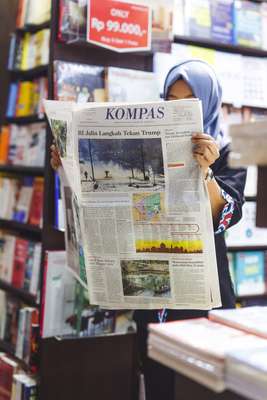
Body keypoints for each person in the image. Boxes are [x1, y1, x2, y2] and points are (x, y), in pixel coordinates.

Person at [50, 60, 246, 400]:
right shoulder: (145, 144)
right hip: (151, 298)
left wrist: (206, 173)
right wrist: (68, 167)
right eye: (171, 99)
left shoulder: (228, 152)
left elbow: (225, 217)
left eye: (190, 100)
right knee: (158, 386)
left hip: (203, 302)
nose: (178, 107)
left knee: (198, 391)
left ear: (208, 103)